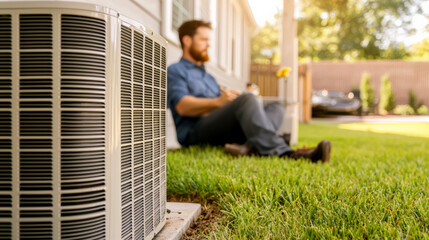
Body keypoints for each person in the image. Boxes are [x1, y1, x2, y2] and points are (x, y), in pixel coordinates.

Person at [167, 20, 331, 163]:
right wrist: (219, 102)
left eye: (208, 40)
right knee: (247, 100)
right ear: (187, 40)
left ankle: (250, 148)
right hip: (195, 133)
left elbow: (224, 102)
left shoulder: (208, 76)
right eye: (203, 39)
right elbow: (182, 106)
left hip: (220, 129)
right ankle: (285, 152)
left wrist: (232, 98)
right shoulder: (175, 71)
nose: (208, 44)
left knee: (276, 107)